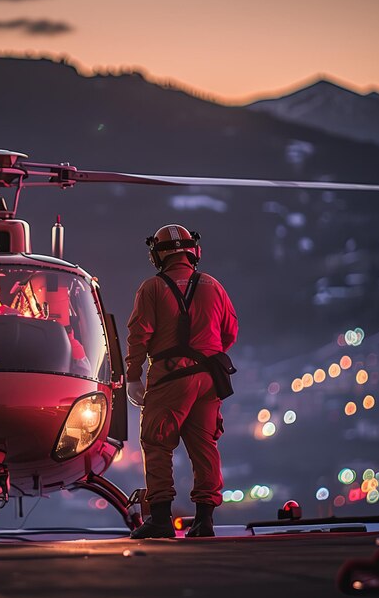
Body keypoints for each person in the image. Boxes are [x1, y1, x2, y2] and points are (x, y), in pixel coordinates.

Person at [126, 224, 238, 539]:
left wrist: (134, 376)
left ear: (156, 255)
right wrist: (206, 353)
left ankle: (161, 519)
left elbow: (139, 335)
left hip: (170, 378)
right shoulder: (213, 286)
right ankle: (205, 522)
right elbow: (230, 331)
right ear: (194, 252)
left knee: (157, 442)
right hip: (209, 379)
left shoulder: (151, 288)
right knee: (205, 446)